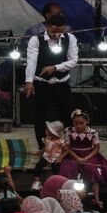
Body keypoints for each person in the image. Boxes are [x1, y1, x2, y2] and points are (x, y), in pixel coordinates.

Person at [24, 14, 78, 144]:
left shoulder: (70, 38)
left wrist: (55, 67)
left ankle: (67, 145)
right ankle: (42, 147)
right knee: (40, 116)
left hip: (62, 82)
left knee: (67, 115)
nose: (56, 35)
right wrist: (29, 81)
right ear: (47, 26)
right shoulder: (35, 39)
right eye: (53, 31)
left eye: (60, 32)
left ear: (64, 28)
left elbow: (73, 61)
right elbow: (31, 61)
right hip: (41, 83)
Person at [58, 110, 107, 199]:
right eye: (76, 123)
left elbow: (96, 148)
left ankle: (96, 197)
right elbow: (67, 148)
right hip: (73, 154)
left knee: (92, 168)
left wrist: (86, 157)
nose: (79, 126)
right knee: (68, 168)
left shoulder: (93, 132)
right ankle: (68, 195)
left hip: (89, 154)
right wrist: (77, 158)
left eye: (81, 123)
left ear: (87, 121)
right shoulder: (68, 131)